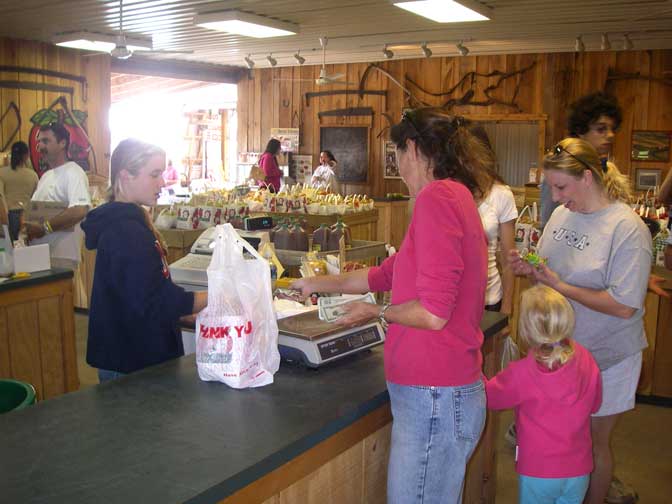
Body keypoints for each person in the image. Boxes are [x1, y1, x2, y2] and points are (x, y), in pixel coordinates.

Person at [292, 108, 490, 503]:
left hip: (434, 393)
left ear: (412, 149)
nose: (397, 164)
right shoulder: (456, 196)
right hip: (443, 391)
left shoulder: (437, 198)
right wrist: (316, 283)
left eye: (396, 153)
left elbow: (433, 313)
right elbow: (384, 275)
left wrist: (376, 312)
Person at [509, 138, 651, 504]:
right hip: (560, 357)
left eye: (561, 187)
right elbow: (548, 272)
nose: (555, 197)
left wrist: (561, 285)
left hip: (607, 359)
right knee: (561, 444)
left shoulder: (627, 229)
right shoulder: (562, 215)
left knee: (592, 444)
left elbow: (624, 306)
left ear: (587, 177)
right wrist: (532, 270)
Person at [81, 139, 207, 383]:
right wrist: (215, 296)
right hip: (131, 361)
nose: (162, 182)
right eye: (154, 174)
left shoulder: (129, 225)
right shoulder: (125, 232)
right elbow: (156, 300)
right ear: (126, 175)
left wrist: (180, 314)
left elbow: (137, 296)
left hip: (133, 353)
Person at [486, 284, 602, 504]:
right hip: (579, 470)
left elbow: (489, 397)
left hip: (538, 472)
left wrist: (474, 370)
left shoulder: (521, 373)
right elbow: (595, 404)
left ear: (527, 330)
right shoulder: (586, 358)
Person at [23, 123, 91, 270]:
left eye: (46, 141)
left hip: (62, 259)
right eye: (39, 142)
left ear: (62, 143)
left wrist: (44, 228)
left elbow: (79, 210)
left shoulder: (74, 172)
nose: (40, 146)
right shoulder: (45, 177)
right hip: (40, 257)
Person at [468, 125, 518, 314]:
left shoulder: (501, 194)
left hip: (490, 298)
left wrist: (506, 308)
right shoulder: (449, 191)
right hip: (455, 300)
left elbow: (508, 258)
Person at [0, 141, 39, 211]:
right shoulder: (33, 175)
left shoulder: (2, 173)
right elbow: (37, 198)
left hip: (7, 214)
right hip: (27, 213)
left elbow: (1, 197)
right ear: (27, 156)